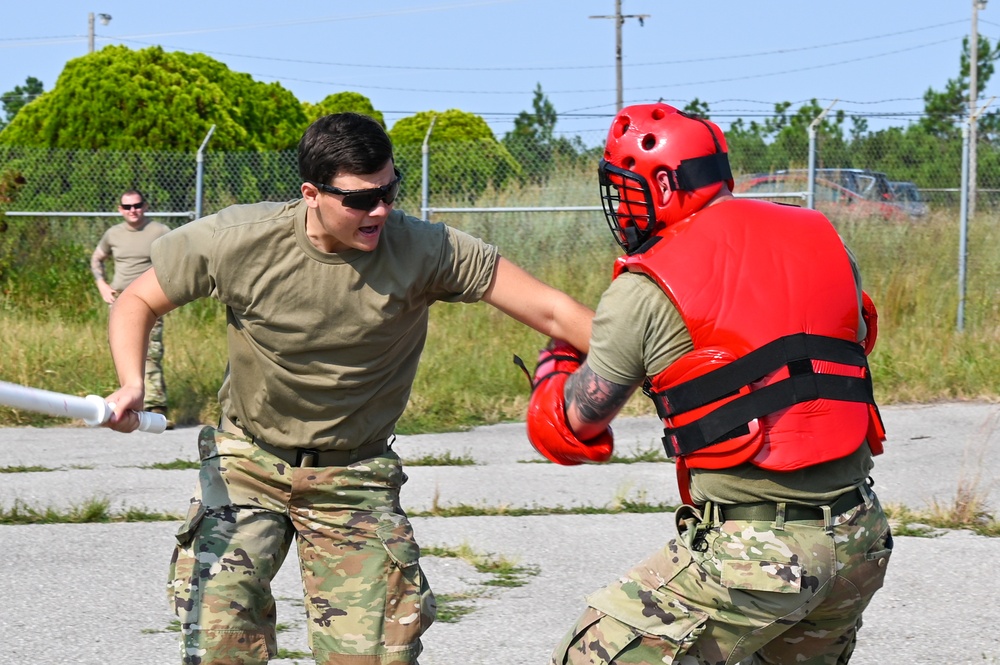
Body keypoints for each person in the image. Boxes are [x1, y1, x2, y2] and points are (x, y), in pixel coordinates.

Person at [102, 112, 594, 665]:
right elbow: (136, 300)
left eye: (388, 191)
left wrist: (653, 369)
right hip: (249, 465)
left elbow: (552, 309)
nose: (380, 210)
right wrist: (132, 383)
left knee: (370, 657)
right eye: (360, 199)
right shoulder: (238, 240)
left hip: (354, 478)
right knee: (220, 631)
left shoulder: (423, 249)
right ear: (312, 193)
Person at [525, 103, 892, 665]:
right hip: (861, 535)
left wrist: (554, 366)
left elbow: (575, 423)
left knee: (586, 657)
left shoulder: (649, 282)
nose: (623, 204)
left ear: (665, 183)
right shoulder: (824, 236)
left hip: (760, 556)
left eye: (628, 187)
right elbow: (855, 337)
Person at [91, 189, 173, 428]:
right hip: (120, 301)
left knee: (150, 352)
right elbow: (97, 258)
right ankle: (126, 405)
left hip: (150, 303)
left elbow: (178, 259)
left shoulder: (159, 232)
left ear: (145, 206)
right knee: (124, 353)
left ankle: (156, 407)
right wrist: (102, 285)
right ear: (120, 210)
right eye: (127, 207)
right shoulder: (113, 234)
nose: (133, 210)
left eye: (137, 205)